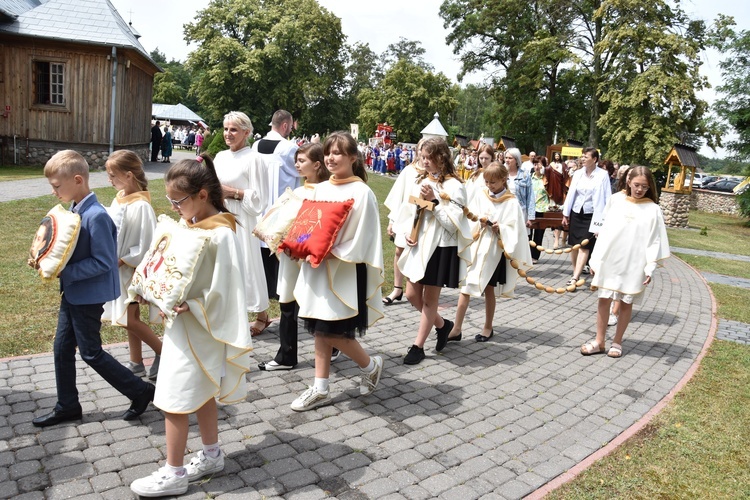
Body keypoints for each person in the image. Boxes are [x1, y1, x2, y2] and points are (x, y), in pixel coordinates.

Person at [130, 154, 252, 497]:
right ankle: (212, 454)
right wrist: (150, 289)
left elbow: (227, 290)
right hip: (182, 326)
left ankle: (174, 472)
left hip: (202, 328)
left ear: (202, 194)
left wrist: (193, 305)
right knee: (200, 394)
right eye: (170, 200)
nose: (174, 207)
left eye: (178, 201)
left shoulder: (221, 234)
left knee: (173, 398)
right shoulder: (191, 223)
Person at [32, 150, 155, 428]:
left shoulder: (96, 215)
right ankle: (68, 406)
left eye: (56, 186)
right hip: (74, 293)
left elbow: (103, 261)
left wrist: (64, 271)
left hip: (87, 296)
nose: (53, 192)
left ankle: (140, 391)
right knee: (62, 349)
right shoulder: (77, 210)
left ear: (77, 180)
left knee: (90, 352)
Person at [288, 132, 384, 411]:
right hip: (317, 267)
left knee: (334, 333)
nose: (331, 157)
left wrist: (331, 251)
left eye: (338, 153)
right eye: (328, 152)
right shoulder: (320, 188)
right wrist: (300, 244)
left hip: (344, 269)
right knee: (320, 328)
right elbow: (309, 224)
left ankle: (370, 364)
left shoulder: (362, 192)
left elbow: (363, 236)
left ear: (353, 157)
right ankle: (321, 387)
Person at [396, 137, 472, 365]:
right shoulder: (420, 180)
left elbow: (453, 224)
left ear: (442, 157)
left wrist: (434, 200)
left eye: (429, 157)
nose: (425, 161)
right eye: (423, 157)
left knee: (430, 299)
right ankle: (442, 324)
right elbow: (411, 211)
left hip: (440, 248)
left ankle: (418, 346)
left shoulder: (455, 186)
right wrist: (409, 233)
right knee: (411, 294)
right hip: (419, 245)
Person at [581, 166, 670, 357]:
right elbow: (604, 232)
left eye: (644, 187)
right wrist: (595, 260)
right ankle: (599, 340)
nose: (639, 190)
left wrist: (650, 267)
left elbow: (655, 240)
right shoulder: (615, 200)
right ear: (628, 182)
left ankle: (617, 342)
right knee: (604, 298)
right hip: (611, 258)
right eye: (636, 185)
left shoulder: (653, 209)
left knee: (626, 301)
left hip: (634, 261)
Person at [258, 142, 330, 371]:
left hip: (312, 258)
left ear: (317, 164)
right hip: (290, 254)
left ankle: (334, 345)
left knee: (318, 303)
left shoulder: (329, 192)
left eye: (302, 161)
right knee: (287, 302)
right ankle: (286, 355)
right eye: (296, 160)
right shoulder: (297, 192)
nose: (297, 164)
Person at [447, 162, 532, 343]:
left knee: (489, 289)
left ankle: (488, 326)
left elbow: (515, 228)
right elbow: (473, 215)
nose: (489, 186)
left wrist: (500, 227)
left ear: (503, 180)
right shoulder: (482, 194)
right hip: (477, 246)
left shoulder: (511, 201)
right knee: (466, 286)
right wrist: (480, 221)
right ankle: (457, 328)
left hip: (495, 250)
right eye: (486, 182)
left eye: (493, 183)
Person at [102, 150, 162, 381]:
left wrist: (123, 259)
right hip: (118, 269)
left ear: (128, 175)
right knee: (130, 320)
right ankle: (136, 362)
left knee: (129, 318)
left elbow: (147, 244)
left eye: (112, 174)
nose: (109, 179)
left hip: (131, 271)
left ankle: (163, 352)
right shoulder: (119, 198)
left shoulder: (141, 206)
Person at [214, 111, 270, 335]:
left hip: (243, 218)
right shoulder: (219, 156)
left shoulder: (254, 159)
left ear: (246, 132)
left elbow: (259, 198)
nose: (228, 133)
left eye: (234, 129)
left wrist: (233, 193)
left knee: (246, 264)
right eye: (226, 129)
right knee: (223, 264)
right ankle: (227, 312)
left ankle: (261, 314)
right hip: (220, 216)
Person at [252, 109, 299, 325]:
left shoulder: (255, 145)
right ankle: (281, 290)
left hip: (259, 207)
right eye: (290, 126)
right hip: (282, 208)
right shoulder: (289, 148)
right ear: (285, 126)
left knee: (262, 252)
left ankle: (267, 288)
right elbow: (301, 171)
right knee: (281, 252)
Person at [562, 146, 612, 288]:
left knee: (584, 245)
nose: (582, 159)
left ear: (594, 159)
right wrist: (566, 213)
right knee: (574, 245)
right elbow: (571, 193)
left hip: (592, 215)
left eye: (586, 156)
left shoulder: (602, 175)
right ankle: (575, 271)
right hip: (577, 212)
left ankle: (575, 277)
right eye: (582, 156)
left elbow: (607, 197)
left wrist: (604, 220)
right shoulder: (578, 174)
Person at [382, 139, 424, 305]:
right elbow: (398, 197)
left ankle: (415, 290)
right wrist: (392, 221)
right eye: (420, 149)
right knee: (399, 251)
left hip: (423, 219)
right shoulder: (408, 171)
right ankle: (397, 289)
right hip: (405, 217)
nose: (422, 153)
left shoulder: (434, 173)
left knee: (418, 254)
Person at [503, 148, 535, 227]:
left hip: (520, 211)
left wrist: (530, 217)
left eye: (510, 158)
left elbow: (530, 196)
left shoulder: (525, 175)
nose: (507, 160)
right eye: (506, 158)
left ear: (516, 160)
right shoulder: (502, 174)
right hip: (505, 210)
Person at [530, 156, 550, 264]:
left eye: (539, 164)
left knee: (539, 233)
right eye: (535, 164)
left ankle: (535, 256)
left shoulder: (546, 179)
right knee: (529, 233)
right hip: (531, 208)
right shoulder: (529, 177)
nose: (536, 166)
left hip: (542, 208)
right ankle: (527, 254)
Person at [546, 151, 569, 249]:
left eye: (558, 155)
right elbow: (546, 173)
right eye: (555, 155)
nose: (556, 157)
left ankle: (563, 239)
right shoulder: (551, 165)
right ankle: (556, 240)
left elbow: (566, 174)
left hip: (561, 187)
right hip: (553, 186)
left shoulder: (563, 165)